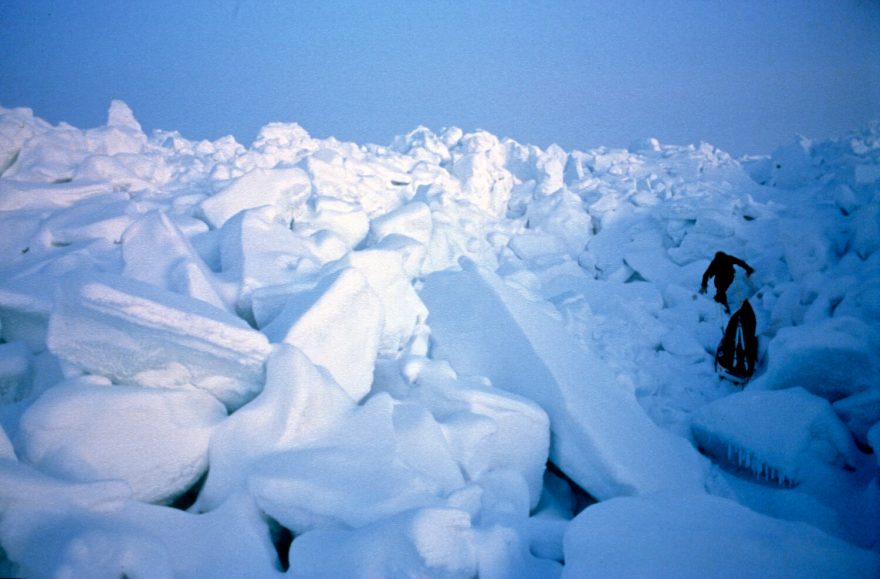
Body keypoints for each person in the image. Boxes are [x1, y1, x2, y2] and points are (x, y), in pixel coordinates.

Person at [715, 299, 758, 384]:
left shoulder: (736, 317)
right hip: (746, 364)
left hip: (730, 360)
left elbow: (728, 335)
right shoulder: (751, 317)